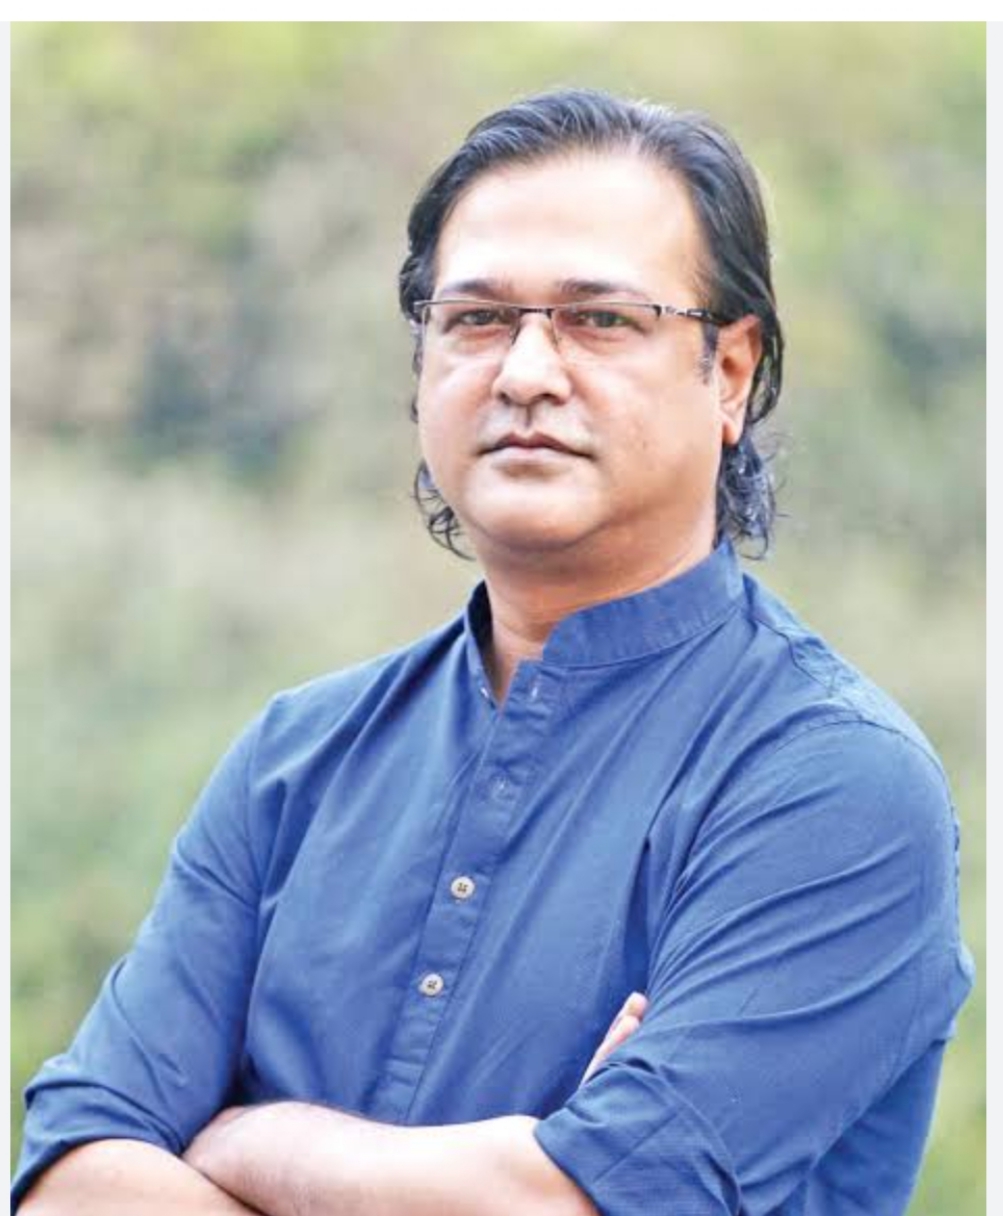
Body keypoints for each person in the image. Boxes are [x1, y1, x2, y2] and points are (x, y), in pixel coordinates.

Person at [13, 88, 973, 1216]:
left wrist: (261, 1142)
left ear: (727, 370)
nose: (524, 371)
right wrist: (508, 1168)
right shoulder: (299, 761)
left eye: (598, 319)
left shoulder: (827, 784)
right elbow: (71, 1181)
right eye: (474, 319)